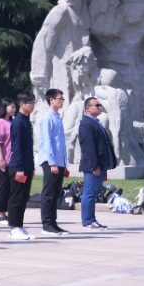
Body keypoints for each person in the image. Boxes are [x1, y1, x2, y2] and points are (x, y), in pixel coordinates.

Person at [78, 97, 117, 230]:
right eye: (97, 105)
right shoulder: (86, 124)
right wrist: (94, 166)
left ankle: (92, 220)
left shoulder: (95, 123)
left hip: (100, 165)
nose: (100, 107)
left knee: (94, 193)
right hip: (92, 166)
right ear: (88, 108)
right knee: (89, 193)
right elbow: (89, 148)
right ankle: (87, 221)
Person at [37, 88, 69, 236]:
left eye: (62, 99)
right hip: (51, 162)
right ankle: (46, 224)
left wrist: (63, 163)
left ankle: (53, 223)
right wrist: (52, 162)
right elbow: (47, 142)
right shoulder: (47, 118)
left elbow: (60, 143)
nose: (62, 101)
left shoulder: (57, 117)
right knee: (48, 194)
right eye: (59, 99)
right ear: (51, 100)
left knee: (56, 194)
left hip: (59, 162)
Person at [7, 91, 36, 241]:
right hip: (19, 167)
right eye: (30, 102)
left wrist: (31, 167)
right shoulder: (18, 122)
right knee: (17, 198)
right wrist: (19, 168)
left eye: (33, 102)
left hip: (26, 167)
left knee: (24, 197)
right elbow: (16, 147)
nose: (33, 105)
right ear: (22, 104)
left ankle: (19, 225)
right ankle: (14, 228)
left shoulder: (26, 121)